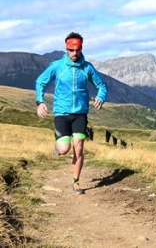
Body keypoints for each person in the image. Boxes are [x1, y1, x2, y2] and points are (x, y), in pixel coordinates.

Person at [35, 32, 107, 195]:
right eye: (71, 50)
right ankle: (59, 148)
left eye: (77, 50)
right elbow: (41, 82)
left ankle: (76, 182)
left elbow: (102, 85)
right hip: (61, 112)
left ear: (81, 48)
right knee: (64, 148)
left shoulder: (87, 68)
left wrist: (101, 97)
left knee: (79, 147)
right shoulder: (57, 66)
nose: (74, 53)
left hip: (80, 114)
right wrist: (40, 102)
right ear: (66, 49)